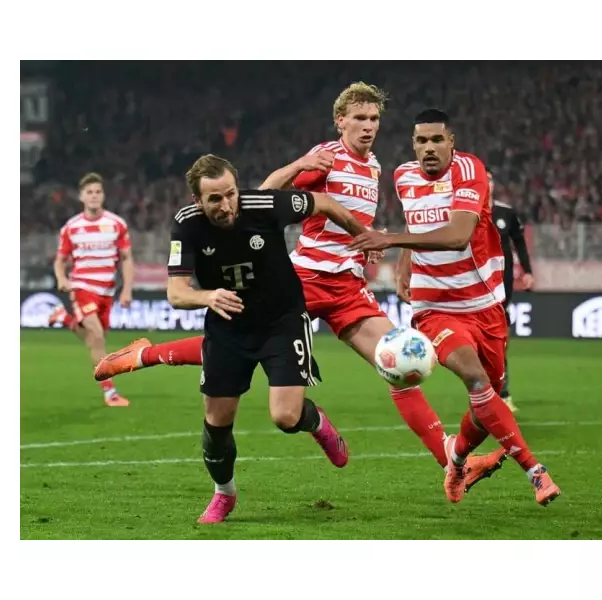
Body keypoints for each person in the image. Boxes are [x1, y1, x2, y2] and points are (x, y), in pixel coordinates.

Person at [95, 83, 506, 491]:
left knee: (396, 364)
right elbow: (263, 196)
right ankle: (144, 354)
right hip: (304, 280)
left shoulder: (374, 166)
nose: (368, 126)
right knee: (238, 340)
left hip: (348, 288)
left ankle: (451, 463)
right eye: (359, 118)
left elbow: (350, 222)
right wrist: (300, 164)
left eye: (374, 118)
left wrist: (367, 242)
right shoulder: (327, 157)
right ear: (340, 121)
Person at [350, 108, 561, 506]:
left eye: (436, 139)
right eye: (421, 141)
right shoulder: (403, 175)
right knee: (476, 380)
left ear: (451, 142)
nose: (428, 148)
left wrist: (390, 241)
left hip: (484, 304)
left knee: (485, 402)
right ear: (413, 145)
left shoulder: (469, 170)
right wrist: (404, 267)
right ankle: (535, 471)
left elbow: (458, 235)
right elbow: (415, 224)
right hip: (434, 307)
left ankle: (459, 462)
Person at [172, 154, 367, 524]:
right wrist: (208, 296)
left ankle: (317, 422)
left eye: (231, 194)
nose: (226, 205)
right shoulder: (187, 224)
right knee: (216, 423)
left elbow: (323, 202)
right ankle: (224, 493)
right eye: (214, 199)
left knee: (285, 416)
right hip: (228, 327)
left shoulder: (264, 205)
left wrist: (362, 236)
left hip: (282, 321)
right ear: (197, 200)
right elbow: (176, 291)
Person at [49, 172, 134, 407]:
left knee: (96, 341)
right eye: (89, 192)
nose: (94, 196)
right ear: (81, 197)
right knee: (96, 336)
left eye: (98, 192)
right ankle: (110, 393)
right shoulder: (71, 227)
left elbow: (127, 258)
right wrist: (61, 278)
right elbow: (60, 260)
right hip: (82, 287)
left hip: (107, 291)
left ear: (103, 195)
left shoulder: (117, 224)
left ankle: (64, 319)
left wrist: (127, 289)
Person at [489, 171, 534, 413]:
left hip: (501, 286)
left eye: (489, 179)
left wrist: (527, 271)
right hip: (472, 284)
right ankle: (483, 392)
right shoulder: (464, 211)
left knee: (500, 339)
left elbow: (519, 243)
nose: (486, 183)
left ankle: (503, 393)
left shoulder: (505, 212)